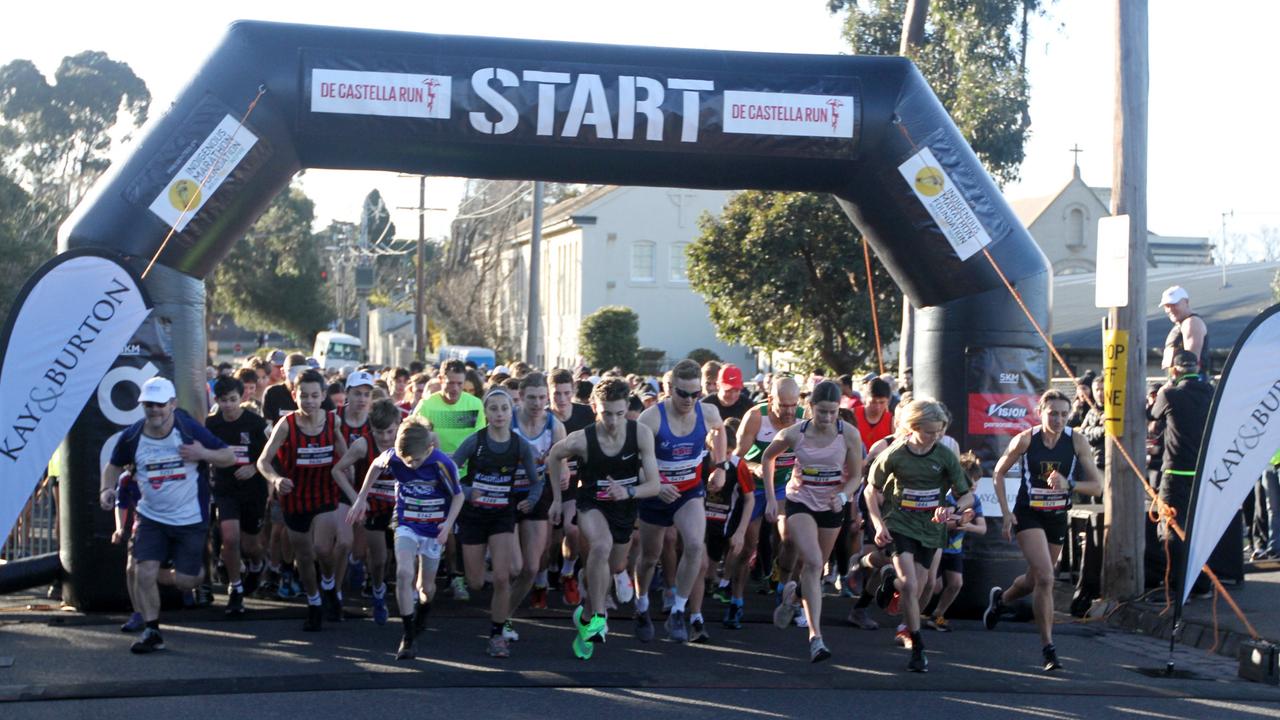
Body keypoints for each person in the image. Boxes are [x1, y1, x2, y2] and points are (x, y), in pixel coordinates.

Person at [99, 377, 236, 653]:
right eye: (148, 405)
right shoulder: (133, 435)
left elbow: (228, 456)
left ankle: (183, 569)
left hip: (190, 519)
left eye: (160, 405)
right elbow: (113, 466)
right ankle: (152, 630)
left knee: (189, 580)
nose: (154, 411)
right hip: (151, 518)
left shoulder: (187, 429)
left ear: (172, 404)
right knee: (142, 571)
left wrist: (202, 452)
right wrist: (106, 490)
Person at [985, 389, 1103, 672]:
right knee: (1047, 578)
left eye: (1064, 414)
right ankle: (1048, 648)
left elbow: (1097, 486)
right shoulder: (1026, 439)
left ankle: (1001, 600)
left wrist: (1069, 485)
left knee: (1034, 578)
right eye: (1053, 413)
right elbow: (999, 473)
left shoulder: (1076, 440)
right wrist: (1006, 513)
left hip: (1057, 516)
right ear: (1040, 412)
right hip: (1029, 515)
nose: (1059, 419)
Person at [546, 377, 664, 659]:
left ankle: (585, 615)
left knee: (613, 565)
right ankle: (598, 618)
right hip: (591, 504)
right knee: (600, 546)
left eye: (620, 414)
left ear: (627, 409)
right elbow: (553, 455)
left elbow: (655, 485)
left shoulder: (641, 434)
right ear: (595, 407)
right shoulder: (582, 439)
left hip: (624, 506)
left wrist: (628, 491)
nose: (613, 420)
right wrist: (558, 499)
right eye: (606, 413)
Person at [867, 398, 974, 673]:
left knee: (924, 585)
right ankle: (917, 645)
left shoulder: (944, 455)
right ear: (912, 427)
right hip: (900, 522)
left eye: (938, 431)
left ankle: (888, 578)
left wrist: (951, 508)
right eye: (928, 431)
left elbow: (967, 495)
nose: (934, 437)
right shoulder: (895, 453)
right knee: (911, 585)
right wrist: (879, 524)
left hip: (931, 527)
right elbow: (871, 490)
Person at [761, 380, 863, 662]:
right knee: (815, 562)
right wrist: (772, 498)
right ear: (811, 408)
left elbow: (856, 476)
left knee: (813, 572)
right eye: (822, 412)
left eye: (833, 412)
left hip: (832, 505)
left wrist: (843, 497)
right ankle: (816, 638)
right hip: (800, 502)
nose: (828, 418)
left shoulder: (849, 434)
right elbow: (767, 459)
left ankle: (793, 597)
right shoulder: (794, 433)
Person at [347, 416, 463, 660]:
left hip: (434, 527)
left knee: (425, 587)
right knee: (403, 573)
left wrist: (448, 525)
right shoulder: (395, 456)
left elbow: (458, 496)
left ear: (429, 449)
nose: (411, 466)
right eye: (406, 461)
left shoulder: (441, 463)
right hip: (406, 521)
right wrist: (361, 497)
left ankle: (423, 612)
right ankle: (408, 635)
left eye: (417, 461)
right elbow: (376, 466)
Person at [635, 359, 727, 643]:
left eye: (694, 394)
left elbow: (720, 430)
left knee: (695, 546)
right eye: (683, 394)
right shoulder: (650, 419)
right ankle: (641, 604)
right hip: (655, 493)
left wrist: (720, 466)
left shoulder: (708, 411)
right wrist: (656, 484)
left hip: (688, 491)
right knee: (650, 557)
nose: (689, 400)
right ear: (670, 389)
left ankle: (677, 609)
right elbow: (635, 463)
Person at [256, 368, 354, 631]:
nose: (309, 401)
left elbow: (344, 453)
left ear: (323, 395)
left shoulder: (331, 422)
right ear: (294, 395)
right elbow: (263, 461)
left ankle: (330, 585)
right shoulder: (286, 425)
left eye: (314, 395)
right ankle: (314, 603)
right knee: (304, 555)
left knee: (323, 549)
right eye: (304, 396)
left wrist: (349, 471)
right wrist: (276, 480)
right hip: (295, 497)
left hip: (325, 493)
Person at [453, 388, 542, 657]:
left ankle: (497, 634)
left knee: (503, 578)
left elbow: (538, 481)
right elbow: (449, 471)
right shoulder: (475, 441)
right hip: (474, 515)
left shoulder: (520, 445)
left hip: (503, 514)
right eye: (494, 409)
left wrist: (532, 500)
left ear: (511, 411)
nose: (500, 414)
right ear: (486, 413)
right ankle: (486, 563)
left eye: (504, 408)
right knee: (477, 582)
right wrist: (468, 493)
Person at [729, 376, 802, 630]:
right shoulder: (755, 417)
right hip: (754, 487)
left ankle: (783, 592)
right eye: (784, 406)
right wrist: (755, 467)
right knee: (749, 547)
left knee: (791, 538)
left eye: (794, 404)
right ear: (771, 401)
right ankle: (736, 600)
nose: (790, 411)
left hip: (784, 486)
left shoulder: (805, 416)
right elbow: (735, 459)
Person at [414, 359, 487, 600]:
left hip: (465, 477)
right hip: (434, 477)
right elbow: (413, 436)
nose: (454, 389)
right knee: (438, 530)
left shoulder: (475, 404)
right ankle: (430, 580)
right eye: (450, 383)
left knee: (460, 530)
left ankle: (459, 577)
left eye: (459, 383)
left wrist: (464, 460)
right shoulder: (427, 405)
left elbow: (481, 440)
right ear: (441, 381)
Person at [1147, 350, 1215, 599]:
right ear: (1197, 366)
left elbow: (1152, 414)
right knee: (1199, 528)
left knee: (1172, 529)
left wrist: (1167, 385)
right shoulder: (1210, 392)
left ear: (1174, 370)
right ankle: (1201, 584)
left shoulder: (1170, 393)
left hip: (1175, 470)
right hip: (1203, 471)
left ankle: (1177, 586)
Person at [331, 397, 401, 626]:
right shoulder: (363, 444)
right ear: (371, 428)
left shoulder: (405, 442)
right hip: (372, 507)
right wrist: (356, 498)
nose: (384, 437)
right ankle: (378, 592)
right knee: (379, 558)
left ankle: (411, 602)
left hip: (399, 507)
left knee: (401, 557)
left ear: (398, 424)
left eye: (389, 431)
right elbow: (337, 471)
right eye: (379, 432)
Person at [206, 376, 270, 615]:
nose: (229, 405)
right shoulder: (211, 424)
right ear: (217, 400)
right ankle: (236, 588)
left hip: (253, 490)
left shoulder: (255, 422)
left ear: (241, 398)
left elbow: (272, 452)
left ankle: (256, 564)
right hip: (225, 488)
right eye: (224, 401)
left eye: (233, 399)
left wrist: (254, 466)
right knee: (230, 539)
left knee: (250, 543)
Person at [510, 372, 565, 610]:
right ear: (521, 397)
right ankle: (502, 614)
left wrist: (558, 499)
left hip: (538, 493)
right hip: (508, 494)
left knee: (531, 567)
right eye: (531, 397)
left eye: (542, 397)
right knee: (512, 567)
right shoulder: (507, 421)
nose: (537, 403)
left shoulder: (555, 426)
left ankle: (504, 615)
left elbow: (560, 467)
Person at [549, 368, 598, 607]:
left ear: (574, 392)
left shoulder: (586, 414)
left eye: (566, 393)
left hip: (577, 482)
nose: (561, 399)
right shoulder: (544, 415)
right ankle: (543, 576)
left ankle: (568, 571)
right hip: (548, 483)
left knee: (573, 529)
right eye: (556, 393)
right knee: (549, 538)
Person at [925, 451, 987, 631]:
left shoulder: (974, 500)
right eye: (970, 480)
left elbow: (982, 529)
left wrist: (968, 526)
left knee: (956, 583)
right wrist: (959, 521)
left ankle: (937, 615)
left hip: (954, 550)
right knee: (934, 586)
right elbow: (939, 525)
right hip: (936, 548)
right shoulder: (945, 497)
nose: (974, 485)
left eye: (977, 480)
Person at [333, 371, 376, 599]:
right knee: (343, 542)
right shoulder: (334, 418)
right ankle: (335, 591)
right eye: (357, 393)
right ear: (347, 393)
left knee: (358, 550)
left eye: (367, 394)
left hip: (366, 487)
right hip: (336, 486)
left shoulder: (375, 422)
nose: (362, 399)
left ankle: (354, 565)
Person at [1159, 285, 1210, 375]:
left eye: (1174, 305)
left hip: (1189, 384)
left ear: (1186, 302)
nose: (1170, 309)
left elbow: (1191, 363)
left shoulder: (1191, 323)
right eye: (1167, 306)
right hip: (1179, 381)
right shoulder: (1182, 324)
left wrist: (1174, 385)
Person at [855, 377, 895, 448]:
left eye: (882, 402)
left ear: (888, 401)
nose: (877, 407)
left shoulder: (892, 420)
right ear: (865, 398)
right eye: (873, 402)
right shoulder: (852, 415)